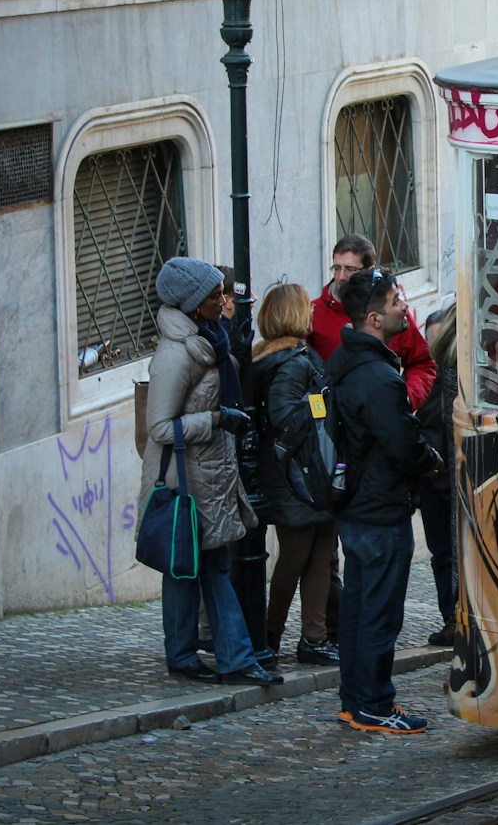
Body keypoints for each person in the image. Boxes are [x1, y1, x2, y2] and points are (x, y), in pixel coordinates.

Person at [138, 257, 282, 686]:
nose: (224, 301)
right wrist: (217, 419)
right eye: (215, 294)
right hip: (185, 479)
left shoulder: (211, 340)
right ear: (191, 303)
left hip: (213, 473)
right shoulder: (175, 355)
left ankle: (201, 655)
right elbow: (159, 427)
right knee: (195, 568)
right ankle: (220, 657)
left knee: (202, 568)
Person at [329, 268, 442, 733]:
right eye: (397, 301)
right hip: (379, 508)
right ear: (374, 317)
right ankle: (374, 703)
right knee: (377, 612)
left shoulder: (346, 362)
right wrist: (429, 459)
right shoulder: (378, 377)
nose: (404, 308)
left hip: (358, 505)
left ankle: (356, 700)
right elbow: (400, 444)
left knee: (358, 608)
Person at [252, 283, 340, 668]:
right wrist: (319, 411)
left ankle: (314, 638)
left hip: (310, 473)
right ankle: (271, 633)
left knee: (320, 555)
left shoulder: (292, 357)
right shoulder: (290, 361)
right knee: (296, 555)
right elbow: (285, 419)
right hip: (298, 475)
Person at [309, 233, 435, 410]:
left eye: (350, 269)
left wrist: (405, 399)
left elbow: (422, 363)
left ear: (369, 271)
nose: (341, 277)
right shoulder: (313, 314)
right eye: (336, 268)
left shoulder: (393, 314)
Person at [415, 303, 459, 648]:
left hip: (449, 468)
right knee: (445, 550)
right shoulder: (433, 369)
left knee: (451, 550)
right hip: (438, 471)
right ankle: (451, 616)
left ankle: (456, 616)